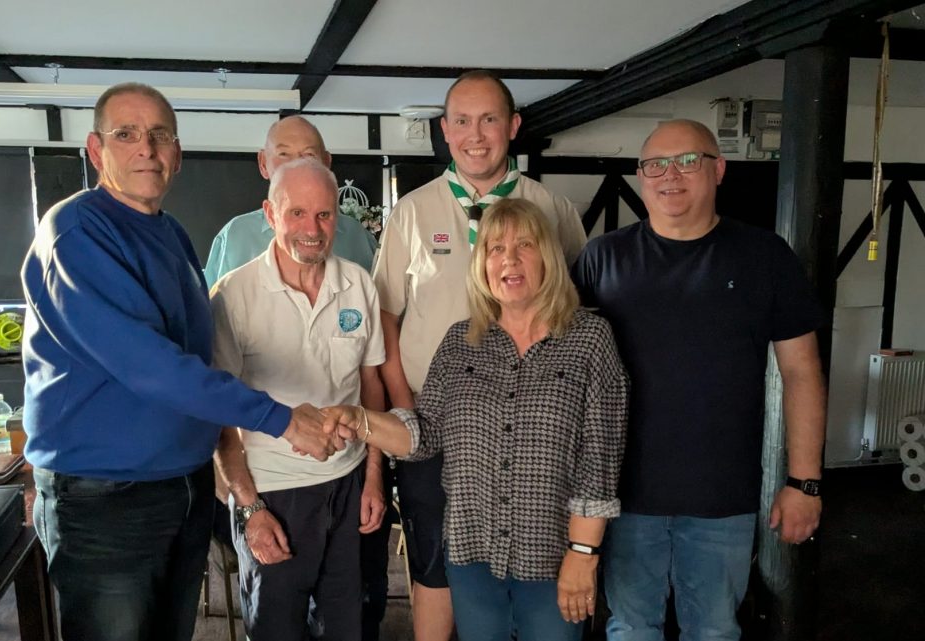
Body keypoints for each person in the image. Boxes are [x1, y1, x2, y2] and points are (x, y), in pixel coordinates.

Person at [20, 83, 335, 641]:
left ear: (178, 153)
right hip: (106, 498)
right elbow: (151, 366)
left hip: (181, 486)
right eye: (126, 134)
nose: (146, 148)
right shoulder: (76, 233)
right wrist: (281, 419)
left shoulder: (171, 234)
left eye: (159, 135)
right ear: (95, 150)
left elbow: (201, 353)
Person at [324, 198, 628, 641]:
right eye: (495, 248)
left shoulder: (590, 340)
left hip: (554, 557)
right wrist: (359, 419)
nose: (509, 259)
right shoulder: (459, 343)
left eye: (524, 245)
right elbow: (425, 434)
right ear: (482, 265)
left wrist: (583, 554)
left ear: (548, 256)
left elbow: (599, 462)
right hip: (472, 554)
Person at [572, 119, 827, 641]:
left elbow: (802, 371)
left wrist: (804, 482)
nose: (671, 175)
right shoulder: (602, 258)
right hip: (622, 493)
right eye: (655, 165)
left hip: (722, 494)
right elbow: (564, 372)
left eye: (688, 161)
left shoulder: (764, 256)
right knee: (630, 628)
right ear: (641, 176)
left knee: (713, 630)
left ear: (719, 169)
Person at [373, 69, 587, 640]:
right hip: (431, 420)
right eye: (462, 121)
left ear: (512, 126)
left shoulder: (553, 209)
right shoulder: (411, 212)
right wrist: (404, 406)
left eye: (489, 119)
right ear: (444, 130)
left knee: (532, 556)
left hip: (530, 427)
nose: (475, 134)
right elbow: (385, 320)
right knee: (434, 555)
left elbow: (573, 308)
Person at [203, 115, 393, 640]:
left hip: (348, 485)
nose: (312, 229)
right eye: (297, 213)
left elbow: (371, 388)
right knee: (277, 630)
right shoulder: (233, 296)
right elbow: (219, 415)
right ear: (270, 214)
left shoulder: (358, 284)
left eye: (324, 215)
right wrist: (250, 509)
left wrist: (374, 476)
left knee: (350, 627)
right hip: (273, 491)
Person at [204, 115, 378, 286]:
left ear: (326, 162)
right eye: (284, 154)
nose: (296, 165)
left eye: (309, 155)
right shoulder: (235, 236)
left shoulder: (357, 237)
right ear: (263, 163)